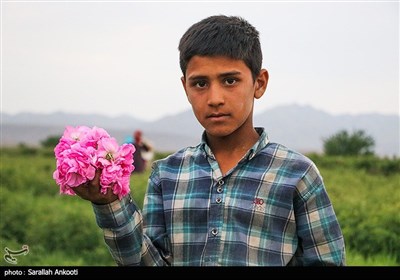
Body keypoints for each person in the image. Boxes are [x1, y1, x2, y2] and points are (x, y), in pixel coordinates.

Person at [74, 15, 346, 266]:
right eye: (200, 84)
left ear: (259, 83)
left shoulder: (297, 174)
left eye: (230, 80)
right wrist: (109, 204)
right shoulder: (166, 174)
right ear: (185, 88)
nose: (215, 98)